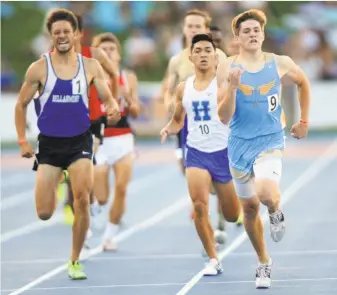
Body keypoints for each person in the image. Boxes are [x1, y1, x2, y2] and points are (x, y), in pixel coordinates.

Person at [14, 8, 121, 280]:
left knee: (82, 200)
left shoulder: (90, 66)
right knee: (44, 213)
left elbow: (108, 97)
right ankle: (59, 179)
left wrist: (112, 107)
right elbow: (20, 105)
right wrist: (23, 140)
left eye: (66, 32)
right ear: (51, 36)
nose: (62, 36)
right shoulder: (39, 68)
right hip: (50, 145)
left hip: (80, 141)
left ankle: (75, 260)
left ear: (76, 34)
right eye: (56, 32)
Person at [217, 9, 310, 288]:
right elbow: (223, 116)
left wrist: (303, 120)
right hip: (238, 145)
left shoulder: (279, 63)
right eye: (246, 31)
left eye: (256, 30)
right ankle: (263, 262)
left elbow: (303, 82)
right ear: (237, 38)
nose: (253, 34)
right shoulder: (227, 67)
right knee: (247, 212)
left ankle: (276, 210)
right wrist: (232, 88)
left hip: (270, 139)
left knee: (266, 193)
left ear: (263, 34)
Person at [161, 34, 241, 275]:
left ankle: (230, 213)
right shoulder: (183, 88)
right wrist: (169, 128)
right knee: (198, 205)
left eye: (208, 50)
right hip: (195, 152)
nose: (203, 54)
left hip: (223, 153)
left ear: (216, 57)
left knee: (231, 213)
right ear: (191, 56)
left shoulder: (224, 83)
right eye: (199, 50)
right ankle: (213, 258)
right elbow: (177, 120)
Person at [56, 14, 119, 227]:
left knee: (87, 160)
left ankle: (80, 200)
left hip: (93, 118)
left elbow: (113, 75)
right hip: (68, 118)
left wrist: (112, 103)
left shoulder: (94, 56)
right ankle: (69, 196)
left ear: (80, 34)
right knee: (76, 164)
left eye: (72, 31)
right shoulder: (55, 57)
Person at [90, 32, 141, 251]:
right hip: (99, 141)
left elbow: (137, 112)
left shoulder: (127, 77)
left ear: (119, 55)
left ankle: (109, 236)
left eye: (112, 49)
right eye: (103, 49)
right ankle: (95, 208)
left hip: (123, 138)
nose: (108, 53)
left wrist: (128, 97)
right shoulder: (90, 76)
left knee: (121, 188)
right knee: (102, 197)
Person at [209, 25, 243, 244]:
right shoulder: (195, 65)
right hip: (209, 131)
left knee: (228, 179)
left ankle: (221, 224)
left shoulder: (227, 65)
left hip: (232, 129)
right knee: (214, 187)